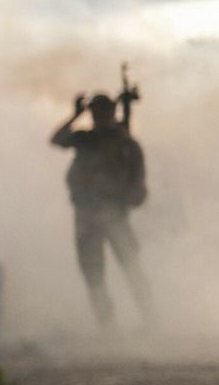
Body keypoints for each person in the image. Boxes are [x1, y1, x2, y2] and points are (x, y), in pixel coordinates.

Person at [50, 93, 154, 324]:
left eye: (105, 112)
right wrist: (75, 115)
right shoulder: (85, 139)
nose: (101, 117)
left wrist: (131, 195)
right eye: (96, 113)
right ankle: (107, 324)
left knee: (131, 267)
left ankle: (150, 318)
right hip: (87, 213)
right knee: (93, 274)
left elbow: (139, 181)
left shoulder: (127, 144)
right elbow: (56, 139)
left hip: (115, 213)